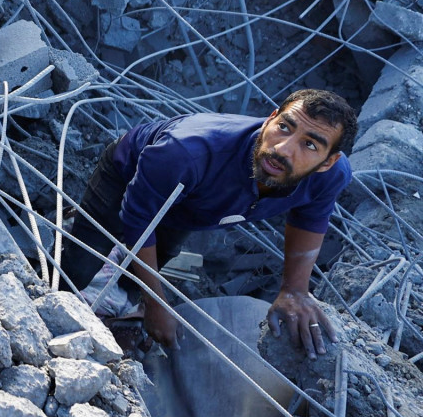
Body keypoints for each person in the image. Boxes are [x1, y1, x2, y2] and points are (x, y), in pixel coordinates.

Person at [61, 89, 358, 359]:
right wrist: (155, 303)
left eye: (309, 144)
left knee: (156, 256)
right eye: (284, 127)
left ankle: (121, 296)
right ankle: (58, 287)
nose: (283, 149)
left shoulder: (331, 176)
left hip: (193, 204)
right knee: (79, 268)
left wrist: (295, 289)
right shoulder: (187, 151)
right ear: (270, 119)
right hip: (129, 176)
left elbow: (310, 217)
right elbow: (139, 220)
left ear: (328, 162)